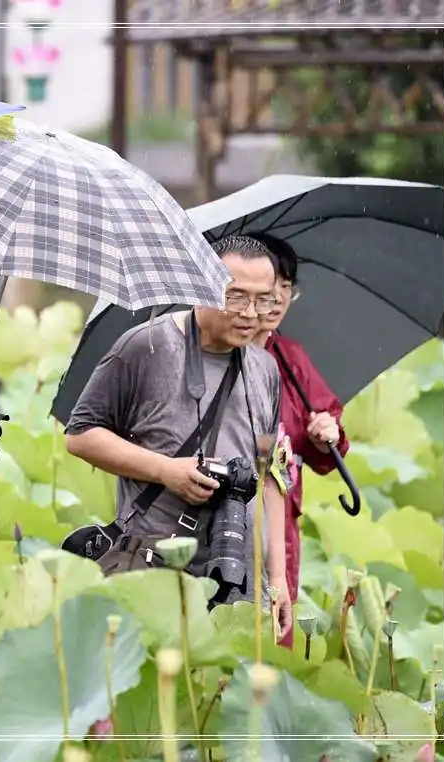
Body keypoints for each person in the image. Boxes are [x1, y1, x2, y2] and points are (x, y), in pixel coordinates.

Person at [64, 235, 293, 638]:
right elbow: (80, 435)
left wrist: (277, 580)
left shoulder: (265, 369)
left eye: (265, 300)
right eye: (236, 297)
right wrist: (166, 470)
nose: (251, 313)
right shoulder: (144, 347)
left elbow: (268, 472)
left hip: (236, 571)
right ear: (200, 282)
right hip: (155, 568)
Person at [250, 233, 349, 647]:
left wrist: (328, 436)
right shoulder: (214, 359)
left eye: (287, 287)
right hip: (229, 517)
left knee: (275, 637)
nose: (277, 298)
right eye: (270, 287)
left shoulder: (291, 357)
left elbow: (324, 447)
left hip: (282, 522)